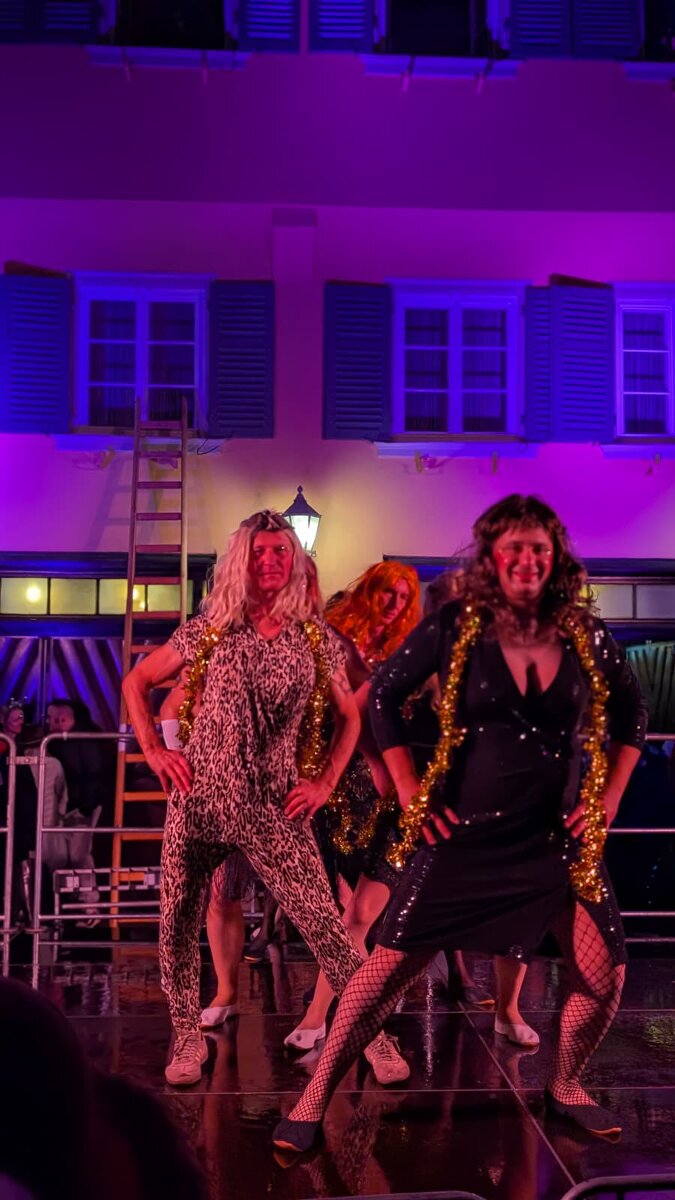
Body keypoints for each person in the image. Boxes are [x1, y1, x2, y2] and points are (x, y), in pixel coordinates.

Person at [274, 494, 647, 1151]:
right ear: (491, 557)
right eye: (513, 547)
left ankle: (564, 1086)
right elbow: (383, 697)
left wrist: (608, 799)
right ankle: (312, 1096)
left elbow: (631, 712)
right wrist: (409, 789)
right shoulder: (456, 625)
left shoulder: (582, 633)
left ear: (555, 556)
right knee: (383, 974)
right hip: (462, 836)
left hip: (558, 840)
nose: (527, 559)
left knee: (605, 974)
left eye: (539, 547)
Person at [122, 509, 365, 1086]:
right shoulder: (210, 628)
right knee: (178, 919)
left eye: (281, 550)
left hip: (274, 807)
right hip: (200, 800)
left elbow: (350, 717)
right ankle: (187, 1038)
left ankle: (370, 1036)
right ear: (242, 561)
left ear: (296, 561)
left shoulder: (315, 638)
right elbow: (138, 681)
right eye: (259, 551)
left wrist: (325, 781)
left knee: (326, 926)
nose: (270, 560)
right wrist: (154, 751)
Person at [285, 562, 420, 1087]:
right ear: (370, 590)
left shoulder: (409, 654)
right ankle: (348, 1017)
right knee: (343, 915)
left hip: (394, 798)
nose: (394, 604)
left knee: (361, 914)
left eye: (404, 597)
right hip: (335, 790)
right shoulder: (332, 640)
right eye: (388, 592)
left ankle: (323, 1018)